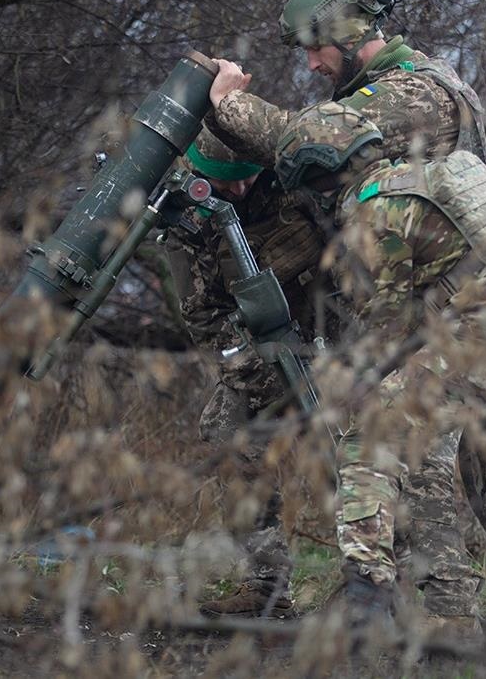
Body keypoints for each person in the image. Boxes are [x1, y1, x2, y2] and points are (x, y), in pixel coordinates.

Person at [204, 0, 486, 643]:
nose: (313, 63)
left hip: (465, 315)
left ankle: (441, 618)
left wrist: (225, 103)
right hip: (482, 311)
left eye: (317, 45)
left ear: (352, 32)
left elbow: (309, 142)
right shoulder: (385, 93)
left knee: (412, 442)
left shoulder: (417, 95)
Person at [169, 128, 341, 619]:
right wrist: (257, 367)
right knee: (230, 434)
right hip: (260, 353)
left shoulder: (295, 184)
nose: (241, 191)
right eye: (227, 183)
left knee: (355, 455)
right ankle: (265, 588)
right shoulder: (190, 220)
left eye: (247, 178)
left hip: (336, 339)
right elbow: (203, 316)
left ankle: (376, 584)